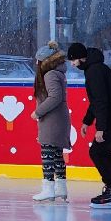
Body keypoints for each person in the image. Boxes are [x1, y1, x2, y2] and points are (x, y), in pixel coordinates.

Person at [67, 42, 111, 209]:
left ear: (81, 58)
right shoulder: (95, 68)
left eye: (73, 61)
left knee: (97, 152)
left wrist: (100, 128)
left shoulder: (94, 72)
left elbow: (101, 102)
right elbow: (97, 101)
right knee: (102, 152)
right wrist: (87, 121)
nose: (72, 64)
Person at [31, 41, 70, 203]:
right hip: (58, 118)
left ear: (45, 62)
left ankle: (48, 188)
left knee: (47, 151)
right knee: (56, 153)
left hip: (52, 119)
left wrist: (38, 112)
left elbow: (55, 97)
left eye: (38, 61)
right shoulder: (58, 73)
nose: (36, 64)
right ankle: (61, 187)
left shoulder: (50, 74)